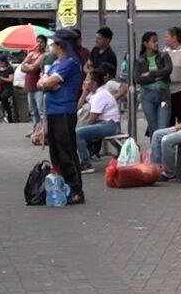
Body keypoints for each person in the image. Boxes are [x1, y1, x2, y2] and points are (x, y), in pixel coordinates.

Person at [37, 29, 85, 205]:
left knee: (67, 152)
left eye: (54, 44)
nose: (52, 47)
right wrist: (47, 84)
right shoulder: (57, 62)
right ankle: (63, 186)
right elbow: (41, 82)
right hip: (53, 111)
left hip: (64, 111)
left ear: (61, 45)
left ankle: (76, 189)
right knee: (55, 153)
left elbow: (47, 82)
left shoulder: (70, 62)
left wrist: (47, 83)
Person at [75, 71, 122, 174]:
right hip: (102, 123)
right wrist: (84, 92)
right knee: (78, 132)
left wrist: (81, 129)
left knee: (78, 133)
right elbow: (79, 107)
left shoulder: (100, 95)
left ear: (94, 83)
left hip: (109, 125)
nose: (84, 82)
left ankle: (85, 163)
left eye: (87, 80)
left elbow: (92, 118)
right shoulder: (93, 94)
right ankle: (80, 158)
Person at [135, 31, 173, 138]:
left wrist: (150, 74)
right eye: (153, 41)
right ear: (146, 44)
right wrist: (158, 77)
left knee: (162, 128)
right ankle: (155, 154)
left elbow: (168, 70)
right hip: (147, 96)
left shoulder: (164, 56)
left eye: (157, 41)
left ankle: (162, 153)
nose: (156, 43)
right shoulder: (140, 60)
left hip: (163, 96)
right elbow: (138, 79)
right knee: (153, 127)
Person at [20, 36, 49, 136]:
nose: (39, 44)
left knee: (41, 110)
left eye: (41, 42)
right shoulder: (31, 54)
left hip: (38, 87)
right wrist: (28, 66)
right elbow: (22, 67)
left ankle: (44, 131)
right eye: (38, 41)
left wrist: (28, 65)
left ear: (45, 43)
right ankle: (36, 130)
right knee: (33, 111)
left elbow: (34, 67)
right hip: (30, 86)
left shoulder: (45, 55)